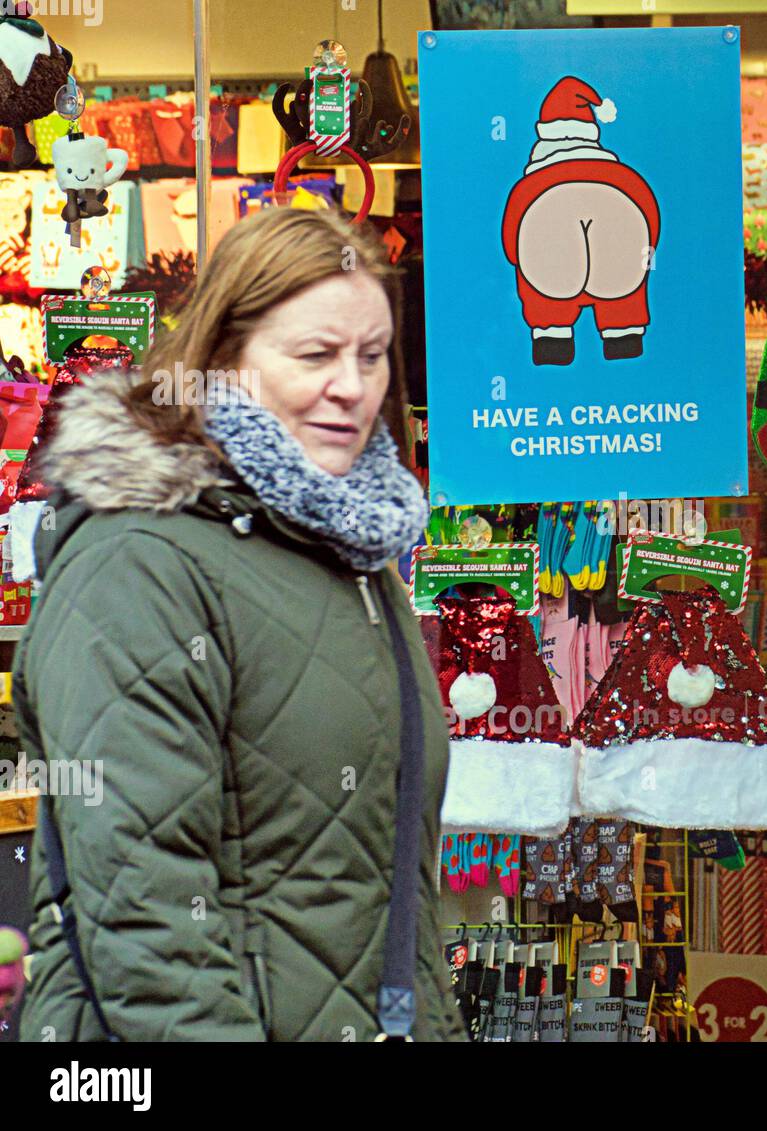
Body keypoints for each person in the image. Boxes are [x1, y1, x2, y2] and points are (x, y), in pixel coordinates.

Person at [15, 208, 466, 1041]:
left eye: (372, 355)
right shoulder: (139, 560)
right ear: (224, 359)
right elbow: (145, 916)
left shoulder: (348, 543)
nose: (353, 386)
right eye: (314, 355)